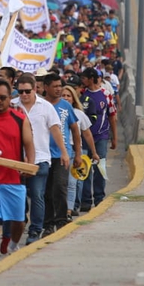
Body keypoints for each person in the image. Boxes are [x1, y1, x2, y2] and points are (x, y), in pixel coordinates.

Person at [0, 80, 35, 266]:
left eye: (3, 97)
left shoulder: (20, 119)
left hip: (14, 179)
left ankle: (12, 245)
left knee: (18, 221)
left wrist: (29, 165)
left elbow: (29, 145)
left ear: (10, 98)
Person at [12, 73, 64, 244]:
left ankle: (35, 231)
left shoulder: (46, 107)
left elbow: (55, 129)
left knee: (37, 195)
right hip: (16, 160)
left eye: (27, 91)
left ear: (35, 89)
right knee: (18, 197)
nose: (24, 95)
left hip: (40, 158)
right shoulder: (12, 106)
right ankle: (19, 225)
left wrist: (64, 152)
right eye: (21, 91)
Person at [42, 74, 79, 235]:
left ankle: (61, 221)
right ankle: (48, 224)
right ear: (46, 87)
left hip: (62, 155)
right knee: (46, 191)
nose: (58, 89)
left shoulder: (66, 106)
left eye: (60, 86)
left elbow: (75, 131)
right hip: (43, 155)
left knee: (60, 187)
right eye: (55, 86)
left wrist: (77, 154)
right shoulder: (40, 105)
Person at [63, 85, 99, 217]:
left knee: (72, 183)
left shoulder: (79, 114)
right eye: (63, 95)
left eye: (68, 96)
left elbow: (87, 134)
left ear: (73, 98)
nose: (66, 98)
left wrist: (94, 152)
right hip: (58, 152)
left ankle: (68, 210)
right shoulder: (54, 111)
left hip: (74, 152)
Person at [79, 67, 111, 212]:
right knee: (85, 168)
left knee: (100, 167)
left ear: (91, 78)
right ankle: (86, 200)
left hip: (101, 137)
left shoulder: (105, 94)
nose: (82, 81)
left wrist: (114, 137)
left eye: (84, 78)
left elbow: (112, 116)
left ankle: (99, 198)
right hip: (85, 137)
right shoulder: (81, 94)